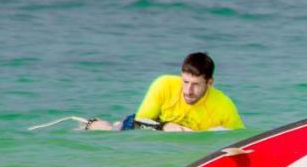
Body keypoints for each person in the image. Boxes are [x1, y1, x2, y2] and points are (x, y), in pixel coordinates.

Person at [84, 52, 244, 132]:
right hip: (151, 124)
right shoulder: (164, 84)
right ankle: (90, 123)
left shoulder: (223, 105)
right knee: (110, 129)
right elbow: (140, 121)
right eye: (185, 82)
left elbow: (240, 139)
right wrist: (166, 126)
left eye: (196, 85)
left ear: (209, 83)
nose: (188, 90)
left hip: (185, 141)